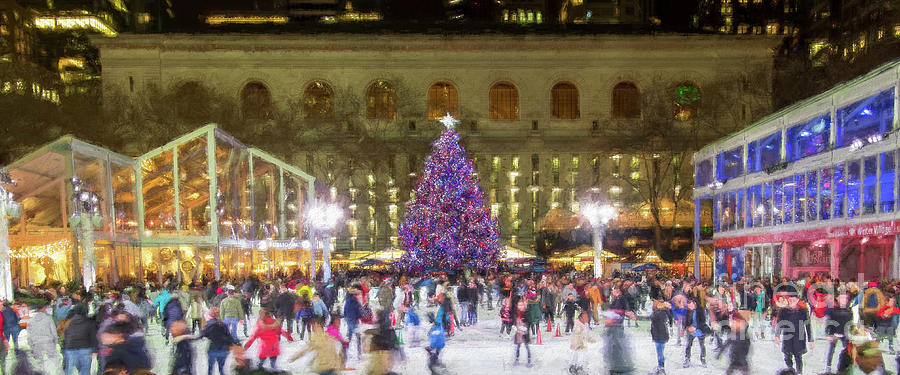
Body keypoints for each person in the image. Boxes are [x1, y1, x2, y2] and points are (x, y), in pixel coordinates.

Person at [776, 292, 812, 374]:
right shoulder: (783, 310)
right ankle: (790, 371)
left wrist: (811, 339)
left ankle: (799, 372)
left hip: (799, 336)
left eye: (794, 299)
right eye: (790, 299)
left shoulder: (803, 311)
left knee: (798, 356)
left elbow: (808, 325)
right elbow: (779, 323)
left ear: (797, 300)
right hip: (787, 336)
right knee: (787, 355)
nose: (791, 301)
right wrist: (777, 335)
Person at [201, 306, 239, 375]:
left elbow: (203, 334)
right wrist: (233, 344)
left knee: (210, 369)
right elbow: (229, 336)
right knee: (221, 368)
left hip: (213, 348)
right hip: (223, 349)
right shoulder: (223, 324)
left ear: (210, 314)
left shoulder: (209, 324)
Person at [27, 299, 61, 375]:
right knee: (54, 360)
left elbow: (29, 335)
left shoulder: (31, 321)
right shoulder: (48, 318)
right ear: (43, 308)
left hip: (36, 344)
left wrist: (31, 346)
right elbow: (54, 332)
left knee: (39, 364)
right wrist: (55, 342)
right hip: (48, 343)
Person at [62, 305, 97, 375]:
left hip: (70, 348)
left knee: (70, 371)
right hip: (85, 348)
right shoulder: (89, 322)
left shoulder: (68, 322)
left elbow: (65, 335)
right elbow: (93, 337)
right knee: (85, 370)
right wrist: (95, 350)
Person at [825, 294, 853, 373]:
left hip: (845, 334)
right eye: (842, 298)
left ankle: (846, 365)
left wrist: (851, 333)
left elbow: (850, 324)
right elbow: (829, 323)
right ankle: (828, 366)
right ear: (838, 299)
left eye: (846, 299)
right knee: (831, 350)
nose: (844, 300)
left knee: (847, 350)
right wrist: (828, 334)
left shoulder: (849, 311)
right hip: (834, 333)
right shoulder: (833, 311)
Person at [683, 299, 709, 368]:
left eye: (690, 306)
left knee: (702, 345)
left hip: (699, 329)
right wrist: (687, 328)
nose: (689, 308)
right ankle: (687, 358)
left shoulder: (701, 310)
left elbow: (703, 322)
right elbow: (685, 321)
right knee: (688, 344)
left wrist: (695, 327)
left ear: (694, 303)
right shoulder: (687, 311)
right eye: (688, 307)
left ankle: (703, 358)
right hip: (691, 330)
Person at [570, 310, 596, 375]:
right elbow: (577, 332)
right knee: (578, 356)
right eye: (585, 317)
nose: (587, 318)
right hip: (577, 344)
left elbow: (586, 336)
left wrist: (592, 340)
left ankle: (577, 367)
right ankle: (575, 368)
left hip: (581, 344)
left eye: (587, 317)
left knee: (580, 356)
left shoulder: (584, 325)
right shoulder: (577, 324)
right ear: (581, 318)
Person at [650, 301, 672, 375]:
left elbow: (652, 318)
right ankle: (660, 367)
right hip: (660, 335)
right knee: (660, 351)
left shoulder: (660, 313)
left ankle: (661, 367)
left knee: (660, 352)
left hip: (660, 335)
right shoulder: (664, 312)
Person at [512, 298, 532, 367]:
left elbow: (529, 322)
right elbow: (514, 321)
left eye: (521, 305)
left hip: (524, 333)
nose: (520, 306)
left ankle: (529, 360)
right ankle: (516, 359)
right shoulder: (516, 313)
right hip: (518, 333)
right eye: (519, 305)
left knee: (527, 346)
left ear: (524, 306)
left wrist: (525, 328)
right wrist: (514, 326)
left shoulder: (526, 313)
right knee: (518, 346)